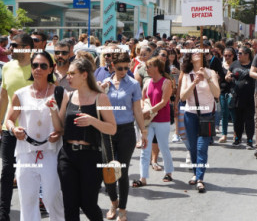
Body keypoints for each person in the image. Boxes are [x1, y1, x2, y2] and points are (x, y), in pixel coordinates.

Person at [54, 58, 116, 221]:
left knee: (88, 203)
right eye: (68, 73)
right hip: (67, 156)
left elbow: (112, 128)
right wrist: (52, 111)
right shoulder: (69, 96)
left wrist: (92, 121)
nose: (68, 77)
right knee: (70, 204)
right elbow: (60, 127)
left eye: (72, 73)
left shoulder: (100, 98)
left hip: (90, 156)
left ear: (84, 75)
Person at [6, 51, 65, 221]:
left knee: (52, 196)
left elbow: (63, 125)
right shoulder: (21, 94)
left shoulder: (60, 93)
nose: (38, 69)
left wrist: (59, 132)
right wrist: (13, 130)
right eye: (35, 65)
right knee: (28, 200)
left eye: (43, 66)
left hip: (50, 152)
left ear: (51, 69)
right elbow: (9, 120)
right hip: (26, 152)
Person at [103, 52, 148, 221]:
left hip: (126, 130)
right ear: (113, 66)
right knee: (107, 170)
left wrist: (143, 131)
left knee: (122, 170)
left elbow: (137, 109)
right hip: (107, 130)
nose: (123, 71)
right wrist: (99, 92)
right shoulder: (105, 83)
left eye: (126, 67)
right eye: (119, 68)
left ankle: (122, 207)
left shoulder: (134, 84)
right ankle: (113, 202)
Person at [0, 33, 35, 221]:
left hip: (34, 131)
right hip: (10, 129)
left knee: (30, 172)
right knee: (7, 172)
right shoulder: (7, 67)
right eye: (10, 44)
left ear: (27, 48)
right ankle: (3, 213)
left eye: (15, 45)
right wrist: (0, 122)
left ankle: (30, 213)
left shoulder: (39, 66)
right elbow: (4, 96)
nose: (10, 47)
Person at [180, 52, 220, 193]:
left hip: (207, 115)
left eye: (200, 52)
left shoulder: (211, 72)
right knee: (192, 147)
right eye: (194, 52)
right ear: (190, 58)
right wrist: (194, 82)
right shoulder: (186, 74)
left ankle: (200, 179)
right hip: (190, 115)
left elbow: (216, 94)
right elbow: (183, 96)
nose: (198, 53)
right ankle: (196, 173)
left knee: (202, 147)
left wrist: (207, 78)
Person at [133, 57, 173, 187]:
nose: (146, 69)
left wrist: (148, 112)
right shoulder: (147, 82)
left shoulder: (166, 82)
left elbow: (164, 102)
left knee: (163, 146)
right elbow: (143, 98)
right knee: (145, 148)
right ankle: (143, 177)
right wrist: (142, 110)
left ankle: (168, 172)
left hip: (162, 120)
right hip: (148, 121)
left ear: (156, 67)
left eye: (148, 66)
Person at [226, 46, 255, 149]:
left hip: (250, 97)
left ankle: (250, 140)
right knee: (238, 119)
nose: (238, 55)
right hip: (237, 96)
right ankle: (237, 138)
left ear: (247, 55)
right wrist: (228, 77)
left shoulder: (253, 65)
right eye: (238, 53)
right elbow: (227, 74)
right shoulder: (234, 64)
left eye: (241, 53)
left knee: (249, 119)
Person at [218, 47, 236, 143]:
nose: (227, 57)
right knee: (224, 113)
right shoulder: (221, 65)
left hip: (234, 92)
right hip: (223, 91)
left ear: (233, 55)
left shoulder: (236, 65)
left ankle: (236, 134)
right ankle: (224, 135)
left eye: (229, 55)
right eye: (225, 55)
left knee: (234, 113)